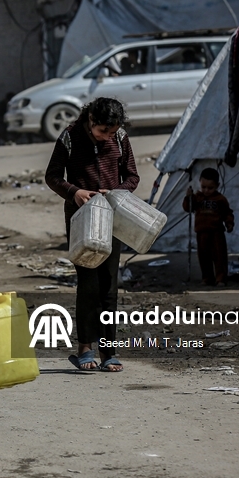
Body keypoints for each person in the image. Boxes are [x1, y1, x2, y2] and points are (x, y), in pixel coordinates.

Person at [45, 97, 139, 372]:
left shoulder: (120, 137)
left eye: (111, 133)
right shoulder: (69, 137)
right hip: (81, 220)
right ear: (90, 121)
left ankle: (109, 351)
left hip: (112, 218)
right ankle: (84, 349)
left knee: (109, 285)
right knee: (88, 284)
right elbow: (52, 176)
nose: (106, 138)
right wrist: (74, 192)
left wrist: (118, 191)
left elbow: (132, 176)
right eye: (102, 132)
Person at [182, 167, 234, 286]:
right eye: (203, 187)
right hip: (201, 232)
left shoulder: (220, 199)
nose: (206, 190)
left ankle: (220, 278)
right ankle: (207, 278)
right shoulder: (197, 197)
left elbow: (227, 213)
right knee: (203, 257)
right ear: (200, 183)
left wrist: (229, 223)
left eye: (210, 188)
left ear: (217, 185)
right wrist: (188, 197)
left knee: (219, 257)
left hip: (216, 233)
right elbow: (187, 208)